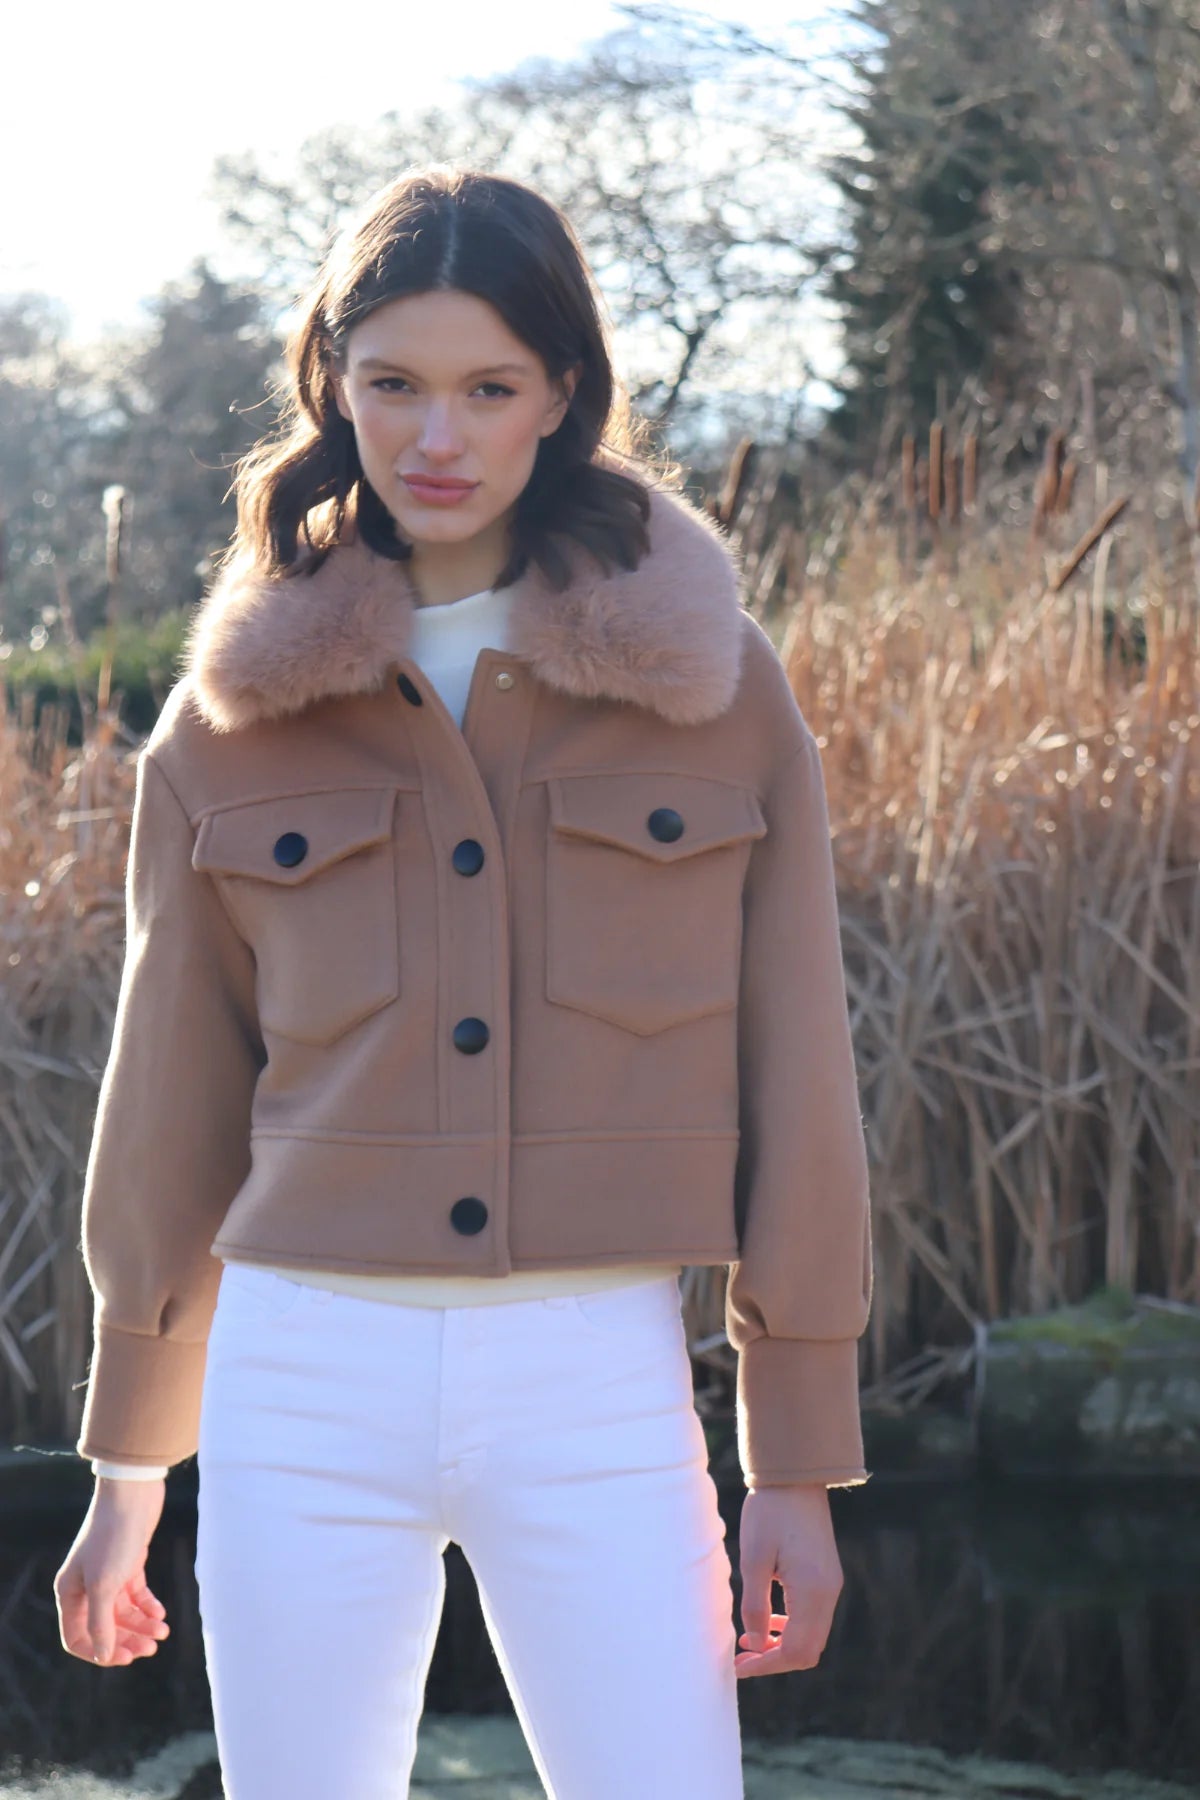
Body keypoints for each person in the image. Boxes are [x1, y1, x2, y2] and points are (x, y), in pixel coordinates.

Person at [53, 165, 874, 1799]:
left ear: (562, 395)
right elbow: (171, 1097)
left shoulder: (709, 687)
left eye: (489, 388)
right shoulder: (231, 720)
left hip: (600, 1383)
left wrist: (796, 1456)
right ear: (332, 388)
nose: (439, 437)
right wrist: (132, 1458)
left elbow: (801, 1063)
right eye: (394, 386)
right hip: (299, 1382)